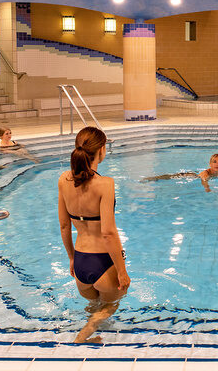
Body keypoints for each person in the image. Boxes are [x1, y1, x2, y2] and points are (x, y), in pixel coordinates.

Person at [58, 127, 130, 343]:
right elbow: (108, 233)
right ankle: (82, 336)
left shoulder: (63, 179)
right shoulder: (105, 184)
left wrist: (71, 258)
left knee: (94, 304)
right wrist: (122, 270)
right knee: (110, 305)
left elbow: (64, 226)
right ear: (101, 150)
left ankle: (94, 334)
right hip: (103, 261)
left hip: (81, 262)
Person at [143, 153, 218, 191]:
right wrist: (207, 188)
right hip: (191, 176)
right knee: (171, 177)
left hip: (195, 175)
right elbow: (204, 180)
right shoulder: (206, 173)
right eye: (214, 162)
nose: (217, 164)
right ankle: (153, 178)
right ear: (210, 164)